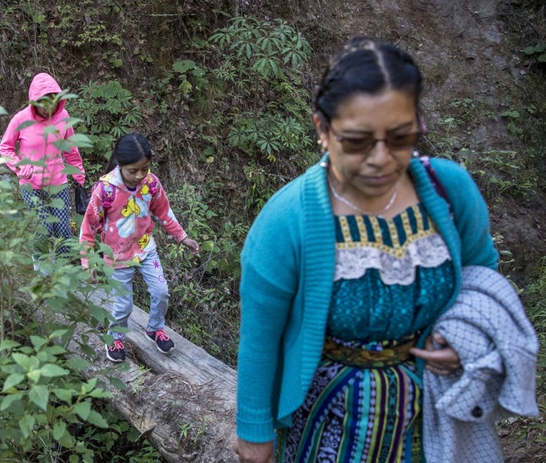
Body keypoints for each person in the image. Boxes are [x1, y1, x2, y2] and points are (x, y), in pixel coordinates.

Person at [234, 37, 499, 463]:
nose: (380, 158)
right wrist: (253, 432)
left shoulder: (450, 192)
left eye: (400, 137)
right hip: (329, 422)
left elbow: (482, 279)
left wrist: (467, 342)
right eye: (357, 141)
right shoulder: (288, 219)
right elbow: (259, 337)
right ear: (323, 129)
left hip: (434, 415)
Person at [79, 133, 199, 362]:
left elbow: (164, 211)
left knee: (161, 292)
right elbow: (88, 228)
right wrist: (88, 262)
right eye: (133, 171)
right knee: (123, 305)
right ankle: (115, 337)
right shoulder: (106, 190)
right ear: (120, 164)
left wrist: (181, 237)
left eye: (144, 169)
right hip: (116, 256)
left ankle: (154, 329)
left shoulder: (150, 183)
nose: (139, 175)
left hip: (146, 249)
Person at [0, 72, 86, 257]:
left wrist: (78, 173)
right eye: (43, 104)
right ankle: (41, 267)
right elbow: (5, 147)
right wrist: (20, 167)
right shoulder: (21, 119)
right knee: (43, 227)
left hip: (58, 180)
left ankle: (64, 267)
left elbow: (70, 148)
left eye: (52, 103)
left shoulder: (63, 116)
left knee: (63, 228)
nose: (48, 109)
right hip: (31, 183)